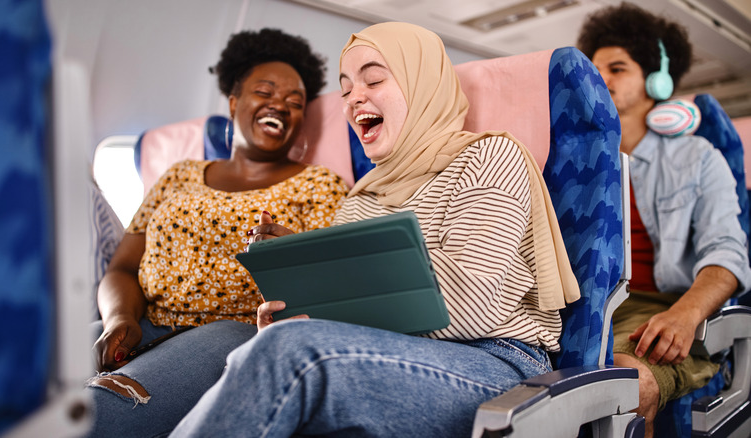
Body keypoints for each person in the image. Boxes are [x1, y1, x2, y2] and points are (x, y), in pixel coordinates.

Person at [169, 21, 580, 438]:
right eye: (346, 90)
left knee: (290, 353)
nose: (353, 99)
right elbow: (348, 320)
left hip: (494, 362)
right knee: (273, 346)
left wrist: (330, 278)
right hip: (387, 356)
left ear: (422, 85)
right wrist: (294, 311)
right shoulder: (359, 199)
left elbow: (473, 306)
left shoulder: (488, 156)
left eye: (374, 79)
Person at [85, 28, 348, 437]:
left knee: (97, 412)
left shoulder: (320, 186)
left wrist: (284, 256)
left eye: (294, 102)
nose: (279, 105)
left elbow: (326, 294)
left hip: (231, 332)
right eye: (265, 91)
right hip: (143, 318)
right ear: (233, 101)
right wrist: (118, 318)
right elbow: (121, 268)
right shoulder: (179, 175)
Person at [576, 4, 751, 437]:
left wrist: (685, 315)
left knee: (625, 385)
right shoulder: (576, 163)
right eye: (595, 70)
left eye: (617, 68)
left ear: (656, 79)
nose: (602, 79)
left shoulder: (697, 157)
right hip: (588, 306)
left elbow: (727, 251)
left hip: (662, 305)